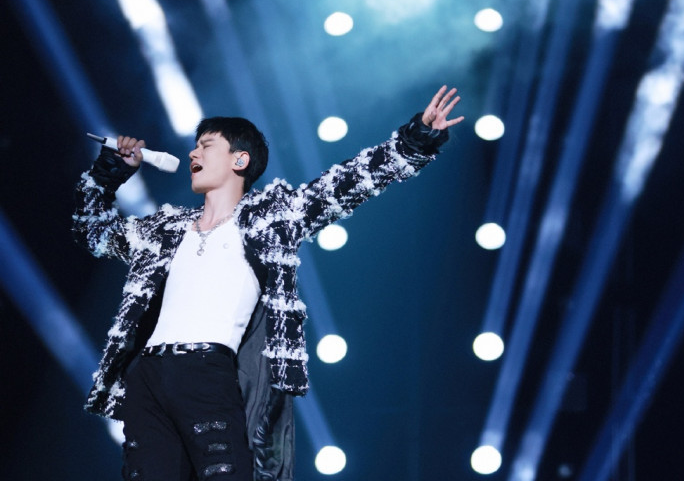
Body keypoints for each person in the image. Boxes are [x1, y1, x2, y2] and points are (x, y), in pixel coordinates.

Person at [73, 85, 463, 481]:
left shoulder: (272, 219)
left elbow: (346, 184)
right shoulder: (164, 230)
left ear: (240, 159)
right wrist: (110, 171)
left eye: (206, 146)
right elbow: (95, 234)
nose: (193, 154)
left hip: (207, 370)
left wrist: (417, 138)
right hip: (147, 378)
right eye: (194, 147)